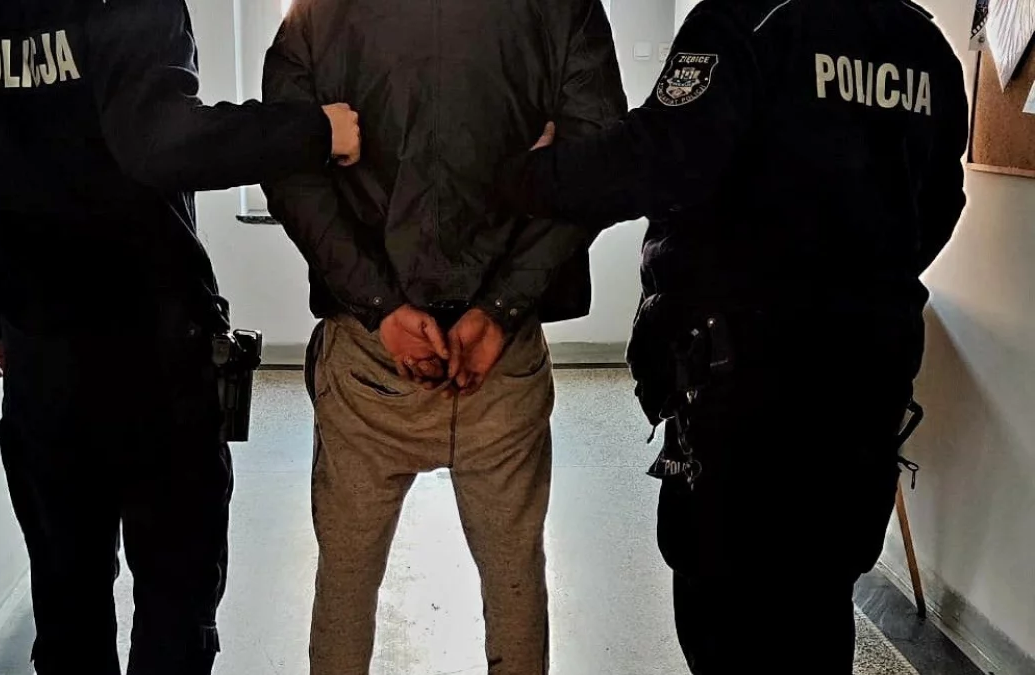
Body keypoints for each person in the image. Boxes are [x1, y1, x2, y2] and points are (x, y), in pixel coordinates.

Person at [500, 0, 968, 671]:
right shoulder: (922, 44)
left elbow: (658, 157)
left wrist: (530, 177)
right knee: (819, 597)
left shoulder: (749, 19)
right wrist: (855, 289)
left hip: (744, 390)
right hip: (864, 383)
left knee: (724, 610)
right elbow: (940, 205)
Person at [0, 0, 360, 672]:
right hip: (154, 366)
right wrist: (317, 130)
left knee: (67, 605)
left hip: (45, 369)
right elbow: (163, 141)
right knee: (175, 604)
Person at [261, 0, 626, 672]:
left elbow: (290, 170)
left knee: (344, 587)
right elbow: (597, 164)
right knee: (515, 585)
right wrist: (499, 308)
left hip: (372, 357)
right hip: (498, 356)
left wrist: (381, 306)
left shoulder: (318, 10)